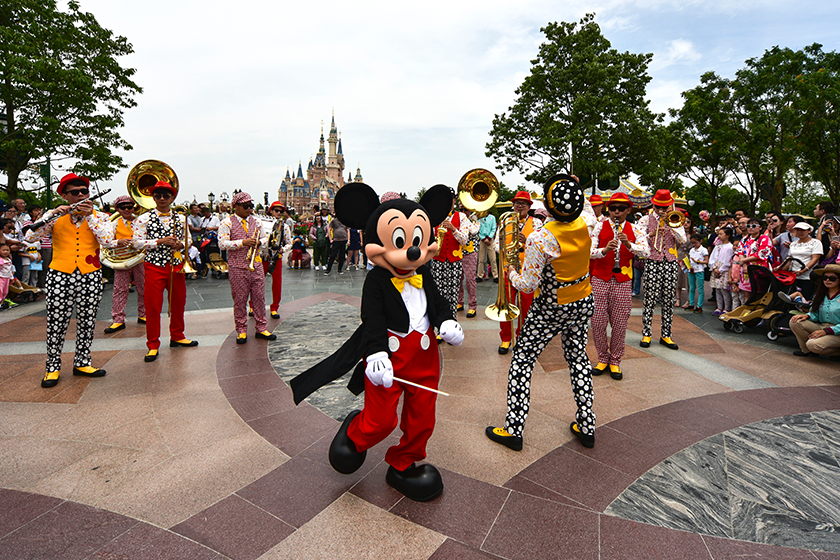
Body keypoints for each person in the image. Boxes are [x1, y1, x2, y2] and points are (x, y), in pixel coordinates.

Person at [291, 183, 463, 502]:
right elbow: (372, 320)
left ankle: (403, 462)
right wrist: (376, 353)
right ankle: (357, 430)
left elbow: (437, 303)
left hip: (425, 359)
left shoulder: (424, 272)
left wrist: (447, 321)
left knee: (423, 418)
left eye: (417, 241)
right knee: (382, 421)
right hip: (391, 359)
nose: (411, 251)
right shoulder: (376, 281)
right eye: (401, 241)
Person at [486, 174, 596, 450]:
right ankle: (587, 424)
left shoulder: (541, 237)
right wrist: (574, 184)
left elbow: (527, 284)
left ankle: (513, 428)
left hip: (550, 306)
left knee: (522, 360)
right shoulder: (586, 222)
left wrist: (510, 271)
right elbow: (586, 207)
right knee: (578, 359)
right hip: (582, 300)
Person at [24, 173, 115, 388]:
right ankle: (52, 367)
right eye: (75, 192)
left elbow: (108, 242)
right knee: (56, 322)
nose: (81, 195)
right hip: (59, 274)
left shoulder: (100, 216)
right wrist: (52, 215)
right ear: (66, 196)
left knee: (87, 320)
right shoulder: (54, 216)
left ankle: (82, 362)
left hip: (90, 273)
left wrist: (91, 215)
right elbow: (29, 238)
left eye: (84, 191)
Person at [132, 180, 199, 363]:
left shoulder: (180, 218)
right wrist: (159, 242)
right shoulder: (143, 219)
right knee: (152, 306)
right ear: (153, 197)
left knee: (179, 302)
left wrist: (181, 244)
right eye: (158, 195)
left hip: (176, 265)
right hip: (154, 266)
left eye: (166, 195)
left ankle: (177, 335)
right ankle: (152, 344)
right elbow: (136, 243)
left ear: (172, 197)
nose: (162, 198)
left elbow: (189, 240)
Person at [589, 192, 649, 380]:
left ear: (628, 210)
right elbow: (589, 252)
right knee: (597, 321)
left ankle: (615, 361)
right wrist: (605, 250)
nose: (616, 212)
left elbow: (646, 252)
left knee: (619, 323)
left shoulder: (636, 228)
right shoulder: (599, 226)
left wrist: (629, 245)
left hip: (623, 280)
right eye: (613, 208)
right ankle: (602, 358)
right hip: (599, 278)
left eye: (621, 209)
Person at [218, 192, 277, 345]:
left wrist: (259, 242)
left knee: (259, 297)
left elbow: (265, 238)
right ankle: (241, 330)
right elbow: (222, 244)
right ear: (236, 206)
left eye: (251, 206)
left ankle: (261, 327)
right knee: (240, 299)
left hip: (255, 264)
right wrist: (243, 242)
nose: (249, 209)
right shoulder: (226, 223)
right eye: (246, 206)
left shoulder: (256, 222)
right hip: (237, 267)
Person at [637, 190, 687, 350]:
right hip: (652, 260)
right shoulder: (645, 220)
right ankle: (646, 333)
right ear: (654, 205)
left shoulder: (675, 220)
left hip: (670, 261)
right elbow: (637, 239)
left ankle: (666, 335)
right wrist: (651, 234)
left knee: (668, 299)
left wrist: (673, 227)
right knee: (650, 298)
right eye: (659, 207)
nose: (662, 210)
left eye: (665, 207)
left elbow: (683, 240)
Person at [493, 190, 542, 354]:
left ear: (529, 206)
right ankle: (505, 339)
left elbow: (542, 247)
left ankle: (522, 338)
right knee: (505, 305)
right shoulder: (505, 222)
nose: (519, 205)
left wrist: (526, 241)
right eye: (517, 203)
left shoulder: (537, 224)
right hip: (508, 269)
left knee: (526, 307)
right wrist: (507, 250)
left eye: (523, 203)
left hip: (527, 271)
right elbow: (495, 245)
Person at [102, 195, 146, 333]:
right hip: (121, 260)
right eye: (123, 207)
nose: (127, 209)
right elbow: (105, 242)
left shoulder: (142, 221)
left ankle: (143, 314)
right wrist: (118, 242)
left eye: (129, 206)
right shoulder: (113, 224)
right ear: (117, 209)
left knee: (144, 287)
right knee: (119, 289)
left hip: (140, 260)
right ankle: (118, 319)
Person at [431, 187, 470, 321]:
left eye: (450, 199)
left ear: (454, 200)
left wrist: (453, 229)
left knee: (452, 294)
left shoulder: (462, 217)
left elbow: (464, 240)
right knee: (438, 294)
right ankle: (440, 324)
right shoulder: (434, 215)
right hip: (437, 260)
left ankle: (451, 324)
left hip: (454, 261)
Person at [790, 264, 840, 358]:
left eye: (832, 278)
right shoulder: (820, 294)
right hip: (821, 326)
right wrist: (807, 316)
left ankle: (836, 352)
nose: (827, 280)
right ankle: (807, 351)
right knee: (795, 322)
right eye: (825, 278)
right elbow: (814, 314)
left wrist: (826, 331)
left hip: (837, 331)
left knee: (813, 345)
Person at [737, 218, 773, 301]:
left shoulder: (764, 239)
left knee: (758, 294)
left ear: (760, 227)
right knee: (747, 294)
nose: (750, 228)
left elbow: (761, 254)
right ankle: (746, 312)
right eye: (748, 226)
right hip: (746, 270)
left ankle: (756, 313)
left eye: (753, 226)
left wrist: (744, 261)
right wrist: (744, 265)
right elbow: (740, 252)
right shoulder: (744, 239)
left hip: (759, 270)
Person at [787, 221, 823, 301]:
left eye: (802, 230)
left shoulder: (815, 242)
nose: (799, 232)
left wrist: (804, 270)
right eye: (797, 230)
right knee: (793, 299)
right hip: (793, 276)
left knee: (806, 299)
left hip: (808, 277)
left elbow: (815, 258)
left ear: (809, 231)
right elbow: (790, 259)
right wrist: (780, 268)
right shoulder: (793, 244)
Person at [264, 201, 288, 318]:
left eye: (280, 211)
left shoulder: (285, 226)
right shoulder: (262, 223)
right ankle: (252, 305)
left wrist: (282, 249)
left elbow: (289, 242)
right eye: (276, 210)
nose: (278, 213)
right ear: (271, 211)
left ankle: (275, 307)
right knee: (257, 283)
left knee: (277, 283)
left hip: (276, 257)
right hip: (263, 256)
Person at [456, 210, 481, 318]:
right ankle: (459, 302)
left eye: (466, 210)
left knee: (470, 279)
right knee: (458, 279)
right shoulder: (459, 218)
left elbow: (474, 231)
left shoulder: (475, 221)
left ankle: (472, 306)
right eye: (462, 210)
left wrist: (473, 220)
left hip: (470, 252)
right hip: (457, 251)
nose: (463, 212)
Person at [709, 226, 735, 315]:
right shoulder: (718, 246)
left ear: (728, 235)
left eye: (721, 234)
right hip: (716, 267)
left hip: (724, 270)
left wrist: (721, 269)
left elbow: (728, 260)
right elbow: (712, 257)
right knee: (718, 290)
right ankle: (719, 307)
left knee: (724, 290)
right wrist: (714, 267)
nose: (719, 236)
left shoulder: (730, 247)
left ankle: (727, 308)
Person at [687, 233, 709, 313]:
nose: (694, 244)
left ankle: (699, 305)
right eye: (692, 243)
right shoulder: (692, 250)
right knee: (692, 288)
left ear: (700, 241)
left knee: (700, 288)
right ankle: (691, 303)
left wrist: (698, 261)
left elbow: (707, 261)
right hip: (691, 270)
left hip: (699, 270)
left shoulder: (703, 250)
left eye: (695, 242)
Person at [0, 242, 22, 309]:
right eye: (3, 250)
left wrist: (11, 277)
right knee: (0, 291)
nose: (5, 252)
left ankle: (2, 303)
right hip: (1, 278)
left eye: (7, 250)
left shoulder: (8, 260)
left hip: (7, 278)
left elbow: (9, 270)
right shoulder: (0, 260)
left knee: (5, 291)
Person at [477, 211, 498, 282]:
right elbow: (477, 229)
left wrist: (489, 238)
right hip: (482, 240)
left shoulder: (492, 217)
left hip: (490, 240)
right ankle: (479, 275)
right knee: (481, 259)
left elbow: (493, 228)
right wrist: (483, 238)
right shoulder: (478, 218)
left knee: (493, 259)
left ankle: (495, 276)